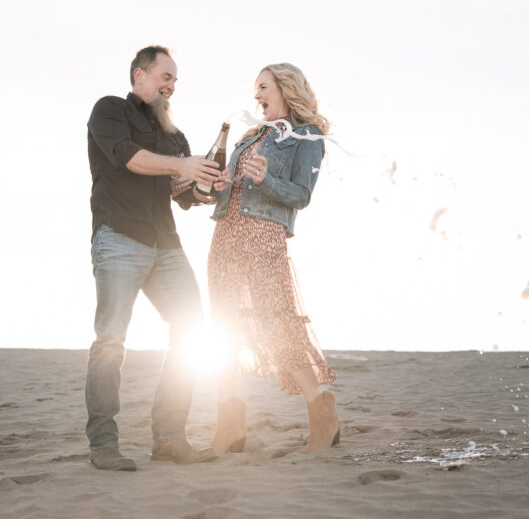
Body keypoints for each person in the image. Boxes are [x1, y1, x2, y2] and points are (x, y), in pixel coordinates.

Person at [85, 45, 220, 470]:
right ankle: (104, 445)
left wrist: (209, 184)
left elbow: (185, 196)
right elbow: (131, 160)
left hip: (167, 244)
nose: (171, 86)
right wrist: (183, 166)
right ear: (139, 74)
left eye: (175, 80)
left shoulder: (174, 135)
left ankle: (169, 438)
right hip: (119, 238)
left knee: (192, 330)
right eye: (165, 76)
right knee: (110, 341)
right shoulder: (109, 110)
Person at [206, 62, 339, 455]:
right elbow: (226, 187)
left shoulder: (307, 137)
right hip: (225, 234)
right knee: (223, 324)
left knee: (277, 320)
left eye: (263, 87)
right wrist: (214, 184)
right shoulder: (249, 137)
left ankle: (322, 413)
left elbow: (301, 194)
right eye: (255, 90)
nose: (257, 96)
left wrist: (267, 180)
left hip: (264, 236)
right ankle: (229, 425)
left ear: (285, 88)